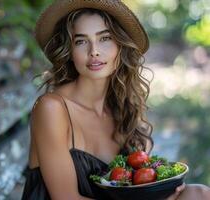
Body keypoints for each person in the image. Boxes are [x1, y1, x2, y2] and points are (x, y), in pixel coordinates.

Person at [21, 0, 210, 200]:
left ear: (121, 45)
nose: (94, 51)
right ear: (69, 52)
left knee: (199, 194)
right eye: (81, 41)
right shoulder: (52, 108)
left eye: (105, 38)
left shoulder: (122, 108)